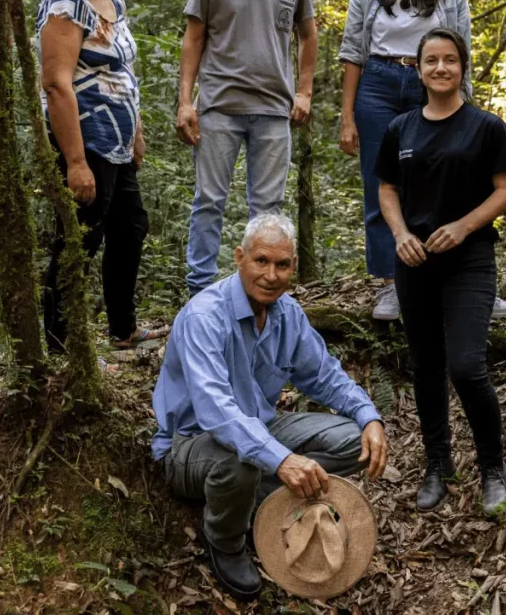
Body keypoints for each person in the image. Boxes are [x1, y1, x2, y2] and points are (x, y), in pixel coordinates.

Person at [152, 213, 389, 602]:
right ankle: (225, 539)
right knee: (240, 460)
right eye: (261, 261)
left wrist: (369, 416)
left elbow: (325, 375)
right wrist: (281, 460)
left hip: (261, 429)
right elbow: (216, 410)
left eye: (282, 265)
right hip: (191, 444)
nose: (271, 275)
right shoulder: (204, 316)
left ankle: (256, 497)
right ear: (240, 257)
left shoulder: (287, 314)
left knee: (354, 440)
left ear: (293, 267)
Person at [337, 0, 506, 323]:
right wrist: (347, 117)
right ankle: (392, 284)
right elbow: (352, 52)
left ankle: (475, 284)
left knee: (455, 180)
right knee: (381, 184)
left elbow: (462, 47)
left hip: (434, 84)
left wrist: (467, 106)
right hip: (379, 85)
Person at [375, 28, 506, 517]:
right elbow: (387, 189)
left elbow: (504, 189)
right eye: (431, 60)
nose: (440, 68)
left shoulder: (485, 126)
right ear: (417, 68)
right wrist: (399, 235)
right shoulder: (401, 129)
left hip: (469, 261)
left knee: (466, 366)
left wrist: (462, 226)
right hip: (414, 262)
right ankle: (438, 465)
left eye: (449, 60)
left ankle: (493, 469)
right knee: (426, 367)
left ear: (462, 66)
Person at [176, 0, 317, 296]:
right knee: (208, 202)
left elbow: (309, 36)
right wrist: (186, 102)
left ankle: (262, 290)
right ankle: (199, 292)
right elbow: (193, 39)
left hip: (274, 110)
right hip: (219, 105)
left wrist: (304, 92)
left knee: (268, 211)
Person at [36, 0, 159, 351]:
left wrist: (136, 131)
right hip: (84, 140)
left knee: (131, 226)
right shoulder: (66, 1)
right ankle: (60, 344)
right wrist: (74, 161)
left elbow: (123, 70)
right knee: (81, 236)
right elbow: (55, 83)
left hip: (118, 141)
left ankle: (122, 329)